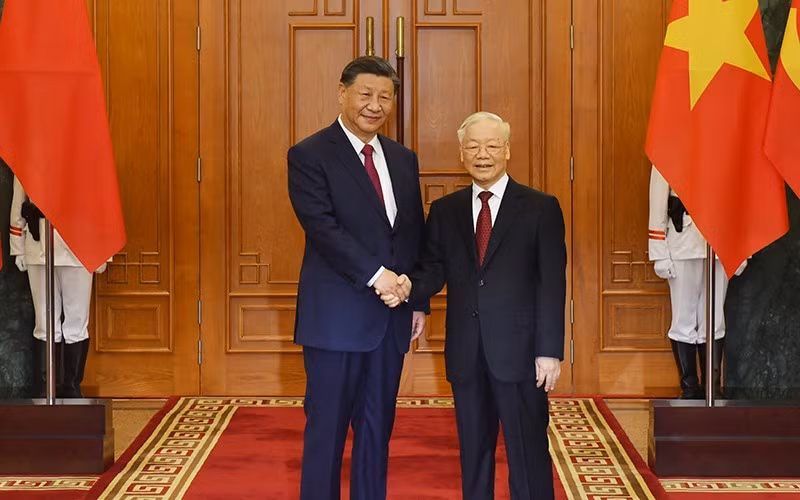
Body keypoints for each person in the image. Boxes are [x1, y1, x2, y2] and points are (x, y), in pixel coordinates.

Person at [383, 112, 566, 500]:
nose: (483, 155)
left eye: (492, 146)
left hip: (521, 355)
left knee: (528, 453)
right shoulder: (445, 211)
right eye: (474, 147)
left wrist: (549, 351)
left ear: (507, 151)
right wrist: (409, 286)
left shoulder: (540, 207)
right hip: (467, 353)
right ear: (462, 154)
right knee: (474, 455)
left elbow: (552, 283)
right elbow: (433, 269)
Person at [287, 56, 428, 500]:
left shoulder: (404, 159)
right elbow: (322, 227)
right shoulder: (309, 154)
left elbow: (413, 231)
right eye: (365, 94)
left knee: (376, 428)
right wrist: (378, 276)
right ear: (342, 93)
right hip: (335, 319)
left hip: (390, 319)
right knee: (326, 430)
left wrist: (416, 294)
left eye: (384, 97)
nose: (375, 105)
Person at [648, 166, 745, 399]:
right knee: (683, 319)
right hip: (683, 242)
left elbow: (741, 197)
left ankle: (713, 386)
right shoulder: (671, 143)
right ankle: (690, 389)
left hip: (721, 242)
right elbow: (658, 198)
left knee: (715, 320)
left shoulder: (727, 144)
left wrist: (741, 249)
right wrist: (659, 250)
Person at [9, 175, 106, 398]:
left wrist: (102, 248)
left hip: (80, 245)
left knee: (76, 323)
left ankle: (71, 389)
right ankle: (46, 390)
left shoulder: (87, 153)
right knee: (44, 323)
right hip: (39, 242)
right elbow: (19, 199)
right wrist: (18, 247)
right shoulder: (33, 149)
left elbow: (102, 200)